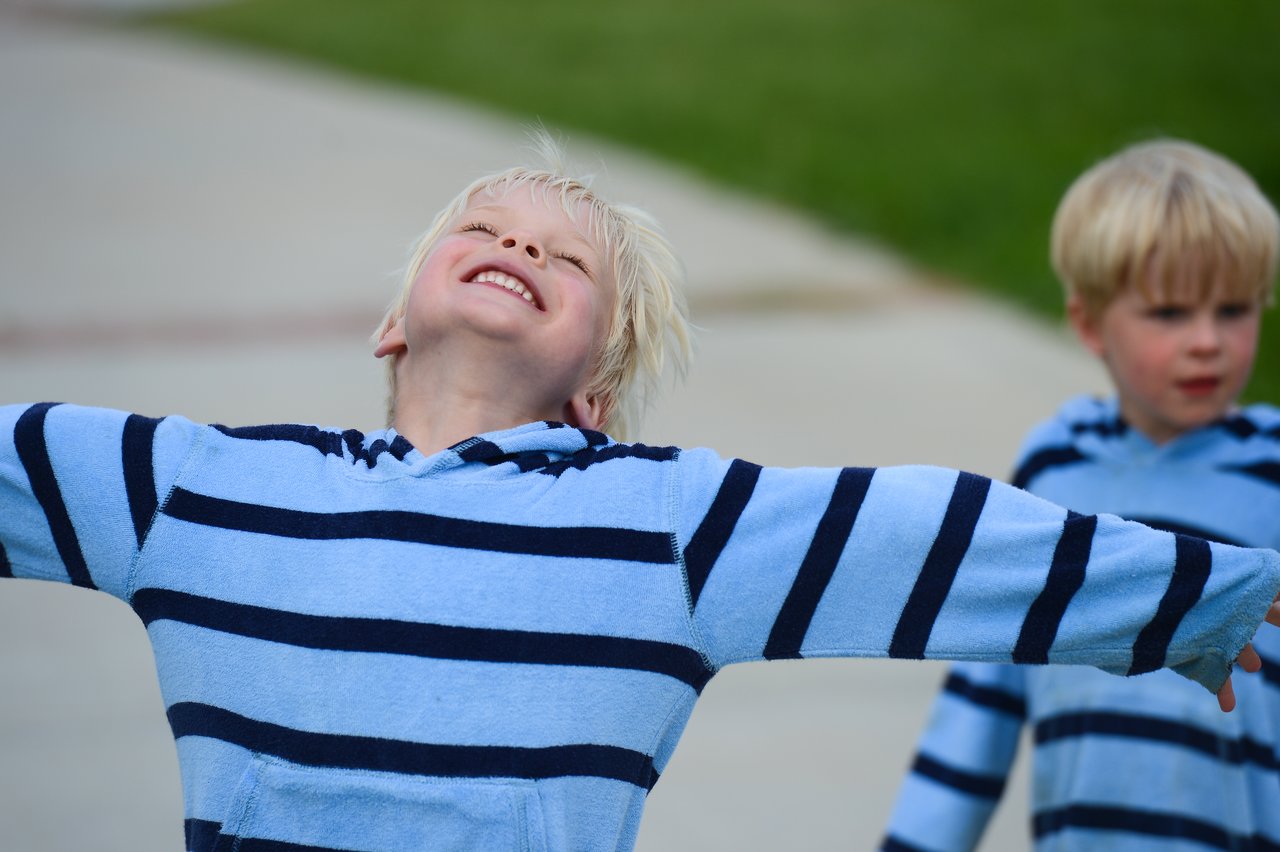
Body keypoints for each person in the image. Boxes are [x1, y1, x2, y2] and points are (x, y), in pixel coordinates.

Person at [3, 136, 1278, 852]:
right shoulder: (207, 489)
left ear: (595, 392)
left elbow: (928, 536)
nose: (520, 244)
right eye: (488, 231)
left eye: (565, 259)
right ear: (395, 320)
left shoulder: (661, 524)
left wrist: (1208, 595)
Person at [880, 139, 1280, 852]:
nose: (1207, 342)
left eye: (1234, 309)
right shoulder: (1054, 475)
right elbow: (985, 690)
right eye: (1169, 313)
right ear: (1090, 323)